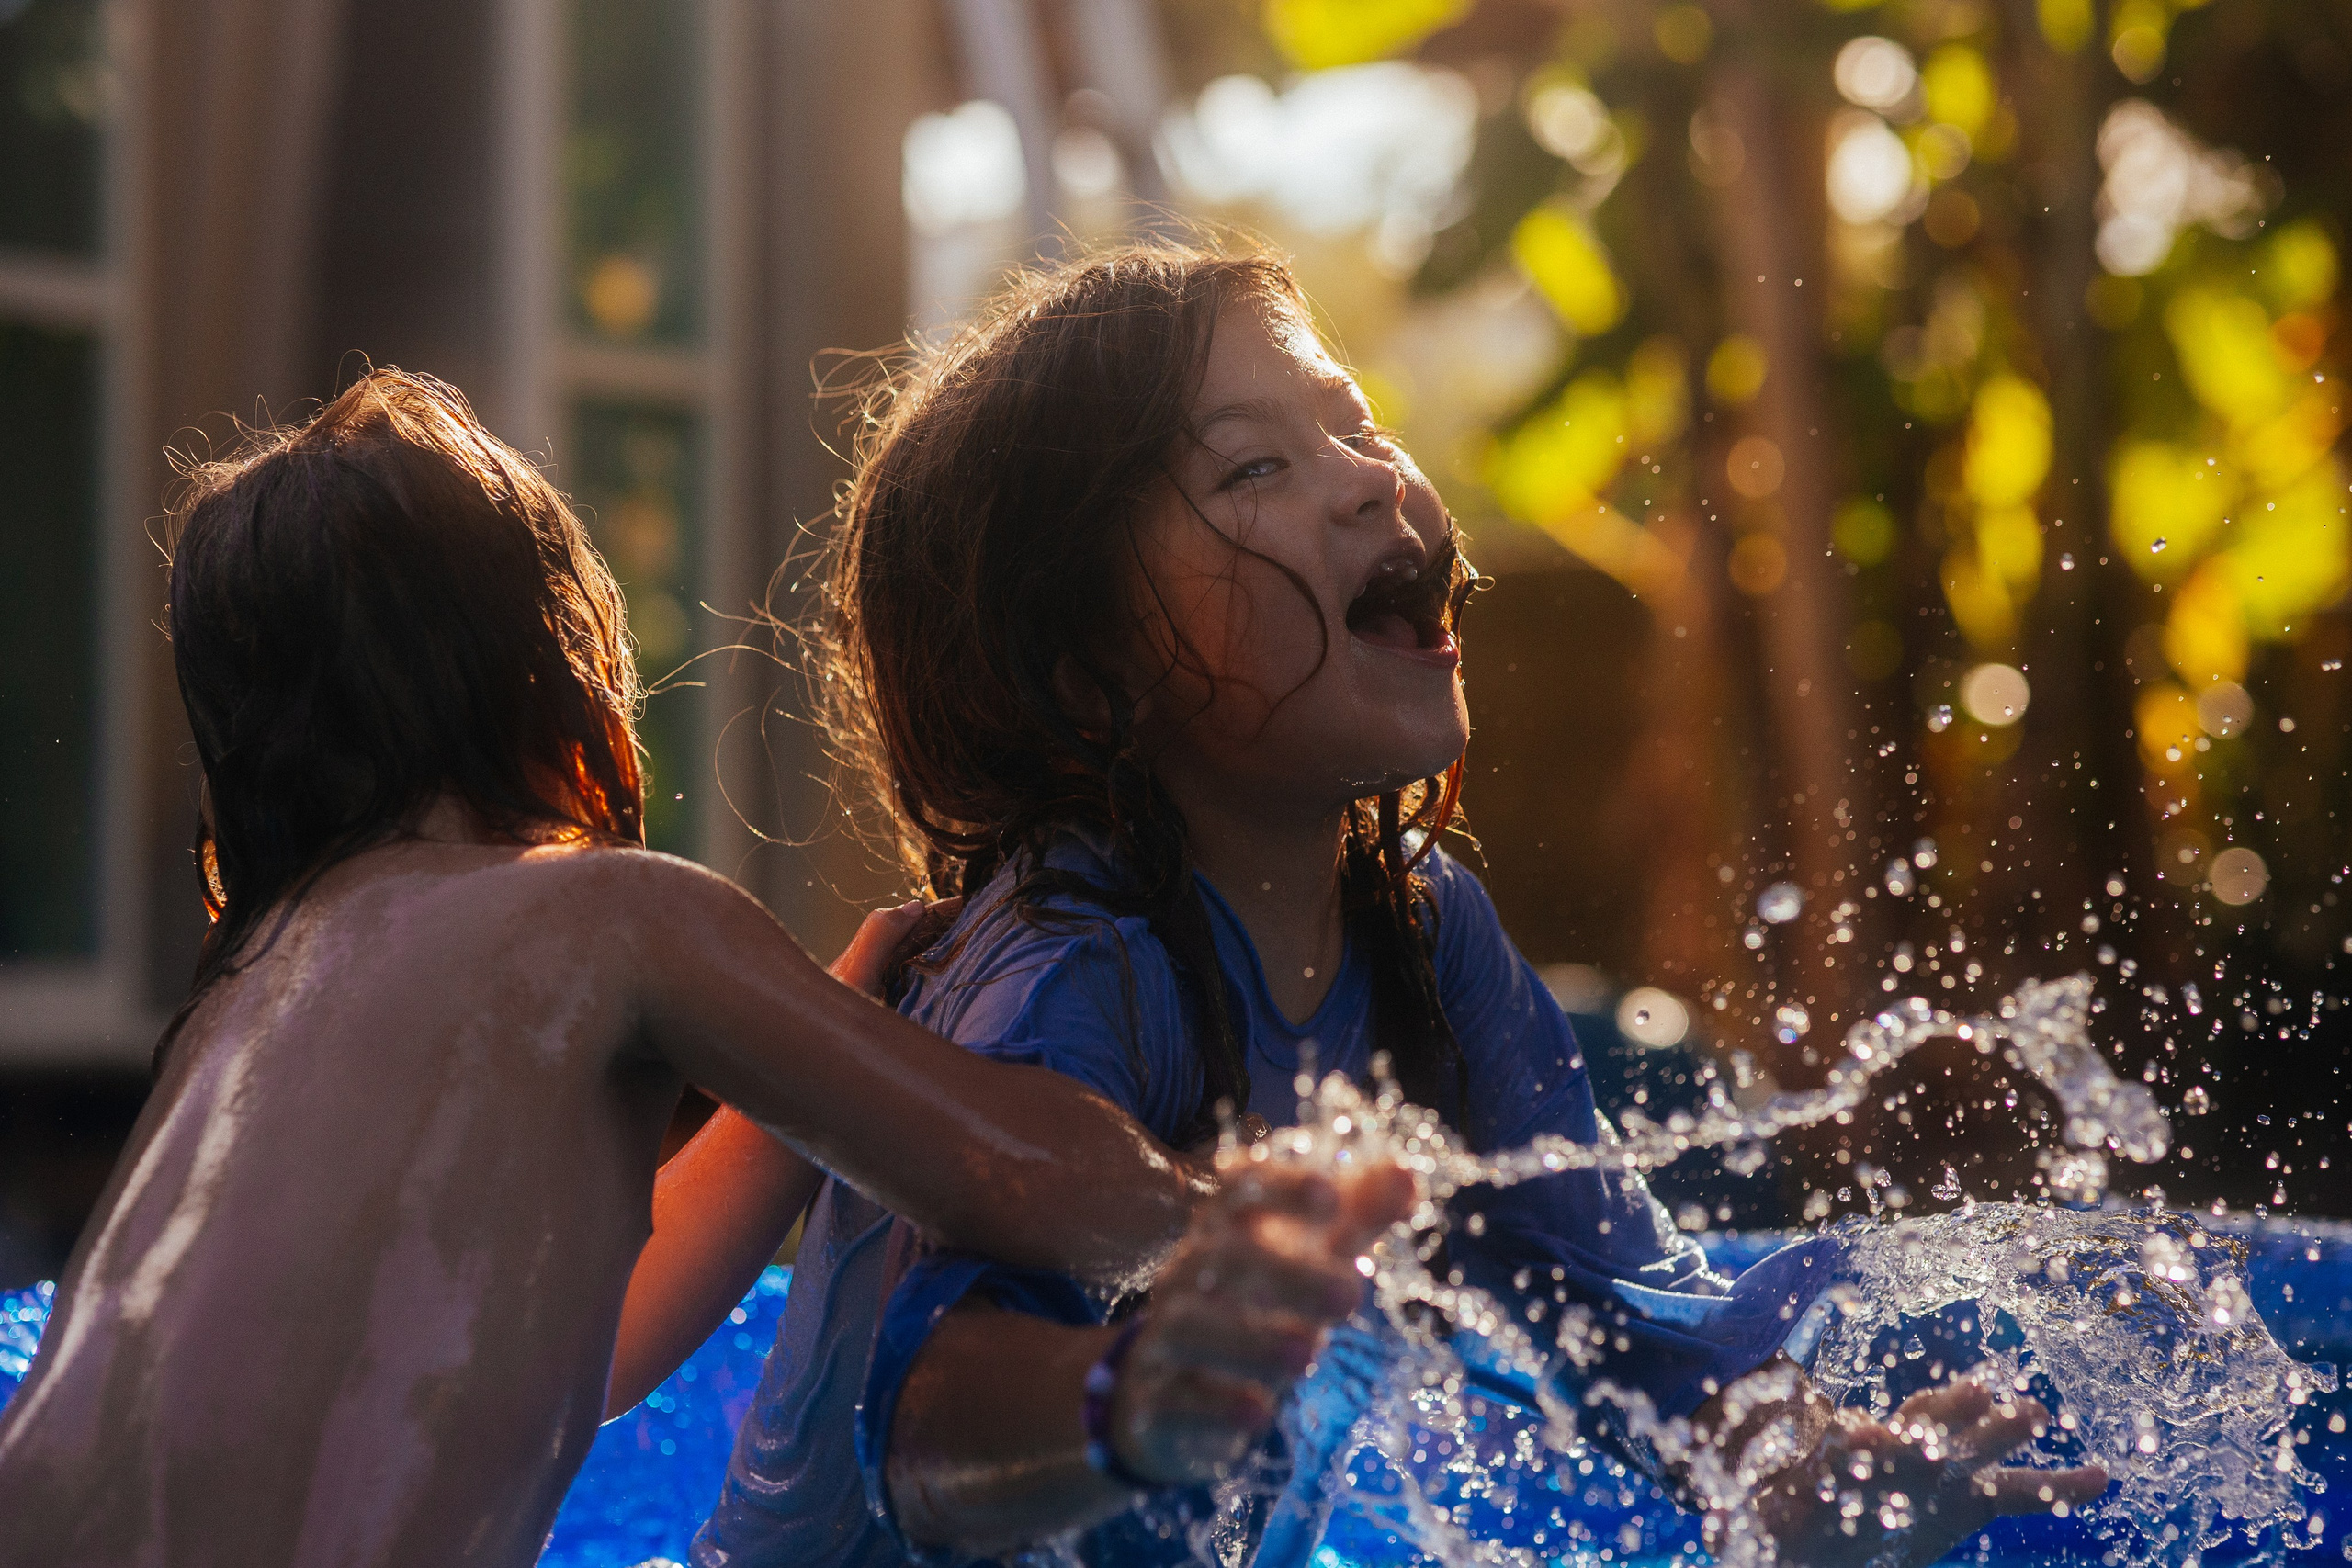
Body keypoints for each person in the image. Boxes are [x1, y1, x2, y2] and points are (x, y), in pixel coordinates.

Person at [655, 242, 2107, 1568]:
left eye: (1355, 426)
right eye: (1254, 469)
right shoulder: (1072, 964)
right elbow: (927, 1427)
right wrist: (1124, 1403)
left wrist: (1791, 1469)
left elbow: (1620, 1297)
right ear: (1089, 676)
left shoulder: (1427, 934)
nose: (1365, 479)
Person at [0, 369, 1407, 1568]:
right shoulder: (608, 919)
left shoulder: (247, 995)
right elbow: (1010, 1172)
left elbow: (577, 1349)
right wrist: (1248, 1228)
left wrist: (834, 1019)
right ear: (558, 667)